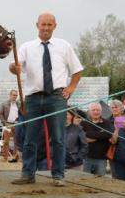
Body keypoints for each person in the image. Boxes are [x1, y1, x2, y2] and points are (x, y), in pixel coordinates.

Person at [11, 13, 83, 187]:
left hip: (56, 97)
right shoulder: (26, 47)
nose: (46, 28)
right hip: (33, 98)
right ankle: (28, 174)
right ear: (37, 25)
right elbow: (15, 66)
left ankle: (58, 175)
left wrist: (71, 87)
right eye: (43, 24)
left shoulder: (64, 45)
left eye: (49, 25)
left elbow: (77, 69)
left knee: (58, 138)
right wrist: (14, 67)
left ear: (55, 26)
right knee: (30, 138)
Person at [81, 102, 113, 176]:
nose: (96, 112)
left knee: (100, 181)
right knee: (84, 180)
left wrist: (89, 134)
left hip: (101, 159)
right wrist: (100, 135)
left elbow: (108, 134)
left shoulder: (107, 123)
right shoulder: (84, 123)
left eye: (98, 110)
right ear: (89, 112)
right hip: (86, 158)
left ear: (101, 112)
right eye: (93, 110)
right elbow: (81, 135)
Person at [110, 108, 125, 182]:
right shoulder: (121, 128)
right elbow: (113, 141)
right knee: (121, 183)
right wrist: (116, 129)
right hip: (119, 161)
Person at [0, 89, 20, 162]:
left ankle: (15, 156)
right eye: (14, 95)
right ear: (10, 95)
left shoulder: (18, 104)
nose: (15, 97)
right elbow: (0, 114)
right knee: (6, 141)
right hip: (7, 124)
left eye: (16, 95)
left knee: (16, 141)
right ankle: (5, 157)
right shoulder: (4, 103)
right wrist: (4, 123)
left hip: (16, 123)